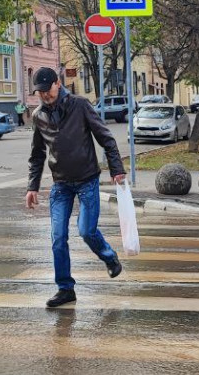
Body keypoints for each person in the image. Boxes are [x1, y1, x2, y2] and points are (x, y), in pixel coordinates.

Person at [25, 67, 126, 309]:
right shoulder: (38, 116)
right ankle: (65, 289)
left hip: (87, 179)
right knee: (58, 238)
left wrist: (116, 169)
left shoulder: (79, 105)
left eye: (47, 90)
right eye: (39, 93)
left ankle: (110, 258)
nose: (44, 96)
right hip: (60, 184)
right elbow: (37, 155)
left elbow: (106, 137)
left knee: (86, 231)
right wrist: (33, 186)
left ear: (57, 84)